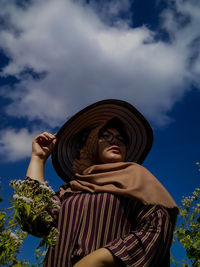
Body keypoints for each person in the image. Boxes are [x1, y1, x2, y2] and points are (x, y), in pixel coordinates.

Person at [25, 99, 178, 267]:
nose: (116, 141)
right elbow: (35, 221)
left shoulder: (134, 178)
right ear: (90, 142)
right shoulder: (69, 190)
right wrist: (38, 159)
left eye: (122, 139)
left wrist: (101, 258)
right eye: (106, 135)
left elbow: (158, 228)